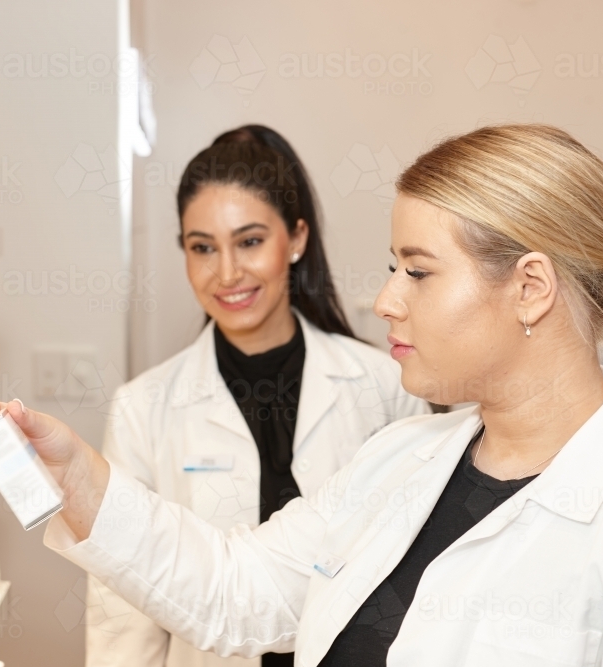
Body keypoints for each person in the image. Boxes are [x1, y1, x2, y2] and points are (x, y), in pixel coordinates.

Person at [0, 124, 603, 666]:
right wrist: (79, 476)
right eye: (394, 267)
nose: (385, 299)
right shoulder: (403, 459)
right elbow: (237, 589)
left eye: (417, 271)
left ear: (530, 288)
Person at [84, 125, 428, 667]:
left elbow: (417, 571)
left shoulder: (384, 384)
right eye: (202, 248)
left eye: (249, 241)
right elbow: (123, 605)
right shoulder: (142, 407)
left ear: (295, 239)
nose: (226, 273)